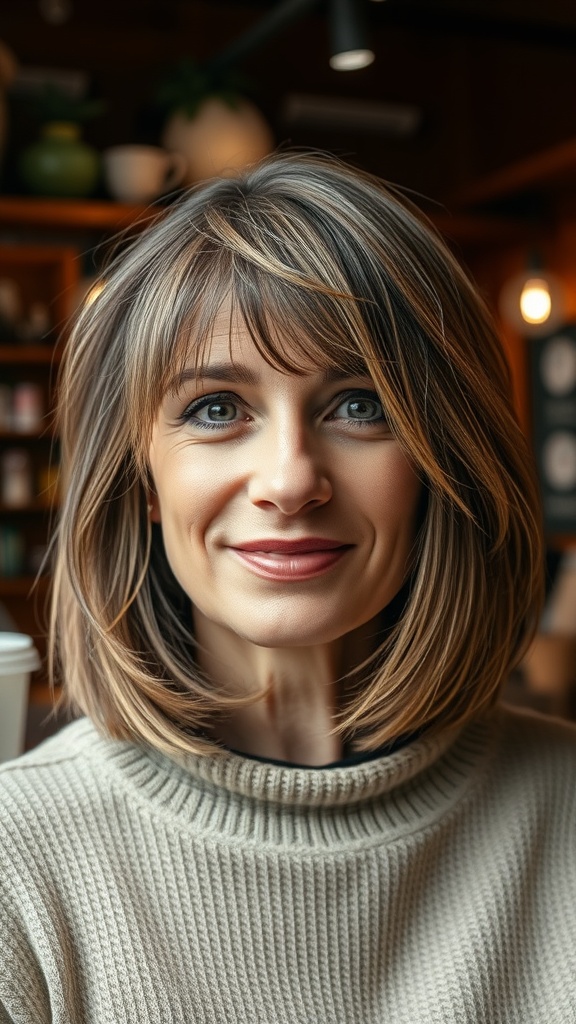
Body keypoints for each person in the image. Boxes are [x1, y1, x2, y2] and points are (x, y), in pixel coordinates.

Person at [0, 152, 574, 1024]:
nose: (291, 479)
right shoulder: (19, 864)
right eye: (216, 410)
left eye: (359, 404)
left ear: (439, 464)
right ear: (143, 482)